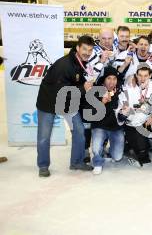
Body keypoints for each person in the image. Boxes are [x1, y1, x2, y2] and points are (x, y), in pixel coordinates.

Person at [36, 35, 95, 177]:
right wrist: (83, 88)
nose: (87, 52)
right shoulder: (65, 65)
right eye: (85, 49)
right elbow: (61, 91)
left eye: (90, 50)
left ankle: (76, 162)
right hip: (49, 102)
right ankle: (43, 165)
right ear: (78, 48)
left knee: (79, 130)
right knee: (44, 136)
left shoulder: (80, 63)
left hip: (68, 102)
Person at [89, 67, 124, 175]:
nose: (112, 81)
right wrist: (102, 102)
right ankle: (98, 162)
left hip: (115, 128)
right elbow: (90, 114)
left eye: (114, 78)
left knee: (117, 157)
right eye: (109, 78)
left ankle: (108, 150)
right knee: (96, 145)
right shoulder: (95, 90)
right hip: (100, 126)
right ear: (104, 79)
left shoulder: (121, 91)